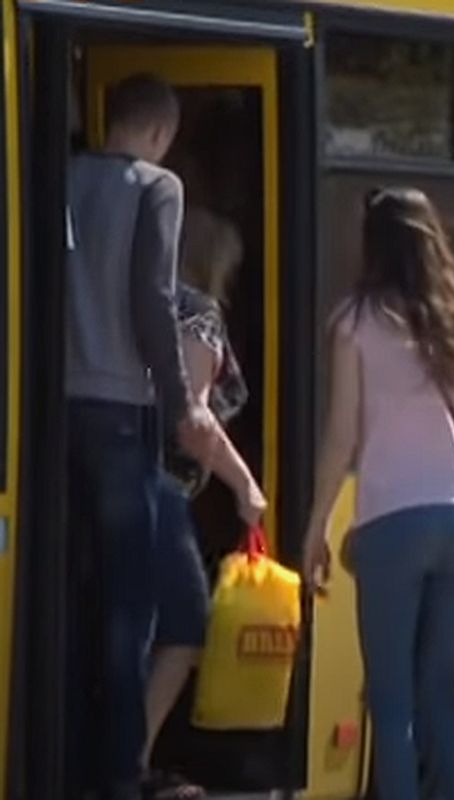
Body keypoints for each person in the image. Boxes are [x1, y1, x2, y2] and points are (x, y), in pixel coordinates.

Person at [301, 187, 454, 800]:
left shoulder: (354, 323)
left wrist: (317, 526)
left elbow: (341, 436)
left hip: (391, 526)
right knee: (445, 694)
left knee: (392, 703)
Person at [66, 73, 214, 800]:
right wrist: (183, 404)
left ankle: (65, 748)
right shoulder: (158, 187)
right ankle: (123, 770)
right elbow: (153, 300)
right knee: (131, 606)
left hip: (54, 411)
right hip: (123, 412)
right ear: (160, 132)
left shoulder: (61, 177)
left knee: (70, 589)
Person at [140, 208, 268, 799]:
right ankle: (134, 761)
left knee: (134, 627)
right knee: (186, 624)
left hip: (122, 479)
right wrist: (244, 485)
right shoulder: (196, 312)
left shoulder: (141, 303)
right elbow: (194, 421)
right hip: (163, 488)